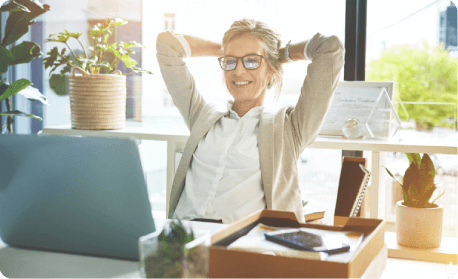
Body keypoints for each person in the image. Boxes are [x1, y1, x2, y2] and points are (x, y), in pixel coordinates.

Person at [156, 19, 345, 223]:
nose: (238, 71)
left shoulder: (289, 129)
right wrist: (226, 50)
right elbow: (167, 45)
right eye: (231, 62)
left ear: (271, 72)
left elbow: (329, 48)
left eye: (252, 61)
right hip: (180, 240)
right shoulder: (203, 117)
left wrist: (281, 55)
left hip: (241, 246)